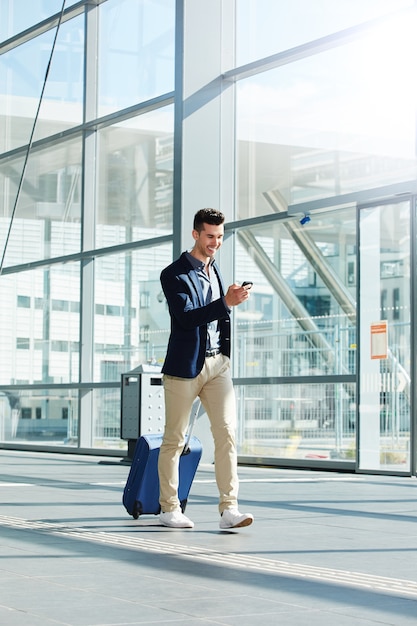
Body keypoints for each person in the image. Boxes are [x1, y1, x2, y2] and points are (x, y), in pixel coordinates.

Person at [157, 208, 254, 530]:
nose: (216, 243)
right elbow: (185, 318)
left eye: (220, 237)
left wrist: (231, 300)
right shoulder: (174, 274)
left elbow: (217, 315)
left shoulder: (216, 270)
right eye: (210, 236)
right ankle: (169, 508)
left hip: (217, 364)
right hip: (185, 368)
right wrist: (226, 302)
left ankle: (230, 508)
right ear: (196, 234)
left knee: (226, 433)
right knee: (175, 439)